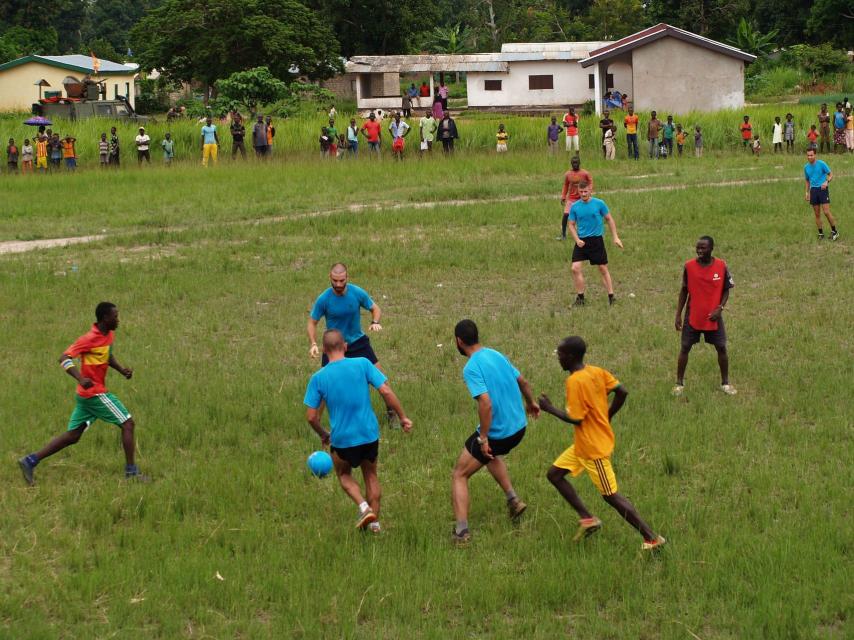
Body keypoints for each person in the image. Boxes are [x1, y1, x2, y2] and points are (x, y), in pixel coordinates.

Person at [538, 336, 666, 551]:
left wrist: (549, 408)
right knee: (554, 475)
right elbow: (622, 391)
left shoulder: (574, 381)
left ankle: (652, 538)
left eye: (560, 355)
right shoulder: (596, 371)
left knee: (611, 496)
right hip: (583, 444)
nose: (558, 358)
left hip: (592, 449)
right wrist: (607, 416)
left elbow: (577, 418)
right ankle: (587, 518)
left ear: (569, 357)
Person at [17, 302, 148, 485]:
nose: (118, 320)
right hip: (94, 394)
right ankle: (132, 473)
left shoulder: (109, 334)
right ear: (105, 318)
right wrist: (79, 377)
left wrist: (121, 370)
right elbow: (63, 358)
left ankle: (29, 461)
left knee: (73, 436)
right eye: (115, 316)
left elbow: (107, 356)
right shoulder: (88, 339)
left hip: (86, 397)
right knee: (128, 423)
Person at [304, 329, 412, 534]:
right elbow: (386, 390)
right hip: (369, 434)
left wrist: (324, 434)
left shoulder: (319, 377)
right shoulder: (363, 363)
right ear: (345, 346)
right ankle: (375, 525)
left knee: (344, 474)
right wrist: (403, 417)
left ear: (325, 351)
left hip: (342, 439)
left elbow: (311, 416)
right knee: (371, 475)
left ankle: (363, 506)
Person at [450, 319, 539, 543]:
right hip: (519, 427)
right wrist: (531, 403)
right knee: (490, 455)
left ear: (459, 341)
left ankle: (461, 532)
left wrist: (483, 438)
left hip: (500, 432)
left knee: (459, 474)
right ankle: (513, 500)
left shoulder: (471, 367)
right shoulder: (496, 354)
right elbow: (523, 381)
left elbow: (486, 404)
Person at [307, 263, 398, 424]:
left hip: (358, 342)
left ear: (347, 277)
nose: (338, 285)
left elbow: (375, 308)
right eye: (335, 281)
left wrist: (375, 321)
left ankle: (392, 413)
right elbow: (312, 322)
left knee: (381, 380)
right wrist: (313, 343)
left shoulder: (357, 293)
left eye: (342, 281)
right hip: (334, 345)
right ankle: (316, 423)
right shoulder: (324, 299)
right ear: (330, 278)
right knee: (323, 384)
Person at [673, 236, 736, 396]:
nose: (700, 251)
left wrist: (720, 308)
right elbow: (684, 291)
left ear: (711, 248)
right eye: (698, 248)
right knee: (685, 348)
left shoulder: (721, 266)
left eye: (703, 248)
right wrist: (678, 315)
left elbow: (726, 289)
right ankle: (679, 384)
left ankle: (725, 383)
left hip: (713, 317)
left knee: (721, 348)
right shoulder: (689, 266)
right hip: (693, 316)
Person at [568, 182, 623, 306]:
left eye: (585, 191)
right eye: (581, 192)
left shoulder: (599, 204)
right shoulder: (575, 206)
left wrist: (615, 237)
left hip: (596, 240)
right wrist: (577, 239)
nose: (583, 194)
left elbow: (609, 219)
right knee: (575, 268)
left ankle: (611, 296)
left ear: (590, 190)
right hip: (581, 241)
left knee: (602, 268)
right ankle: (580, 298)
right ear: (578, 191)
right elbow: (571, 224)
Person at [804, 147, 838, 241]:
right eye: (808, 155)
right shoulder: (806, 167)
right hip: (813, 191)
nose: (809, 157)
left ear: (815, 155)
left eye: (811, 155)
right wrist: (807, 192)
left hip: (823, 190)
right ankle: (821, 233)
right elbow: (807, 180)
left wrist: (826, 182)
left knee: (826, 212)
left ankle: (835, 231)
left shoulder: (821, 164)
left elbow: (831, 174)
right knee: (817, 214)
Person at [559, 156, 592, 241]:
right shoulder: (568, 174)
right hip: (571, 199)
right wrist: (563, 196)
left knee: (585, 215)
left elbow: (590, 181)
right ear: (571, 164)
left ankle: (587, 233)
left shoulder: (585, 173)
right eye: (573, 163)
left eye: (576, 162)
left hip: (582, 198)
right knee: (566, 215)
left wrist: (588, 192)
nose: (575, 164)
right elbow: (565, 185)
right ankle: (563, 234)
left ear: (579, 163)